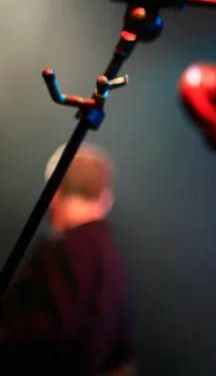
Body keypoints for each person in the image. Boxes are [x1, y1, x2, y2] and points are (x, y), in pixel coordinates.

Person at [0, 143, 134, 376]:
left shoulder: (66, 248)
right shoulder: (109, 255)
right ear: (104, 196)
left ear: (54, 193)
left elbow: (43, 336)